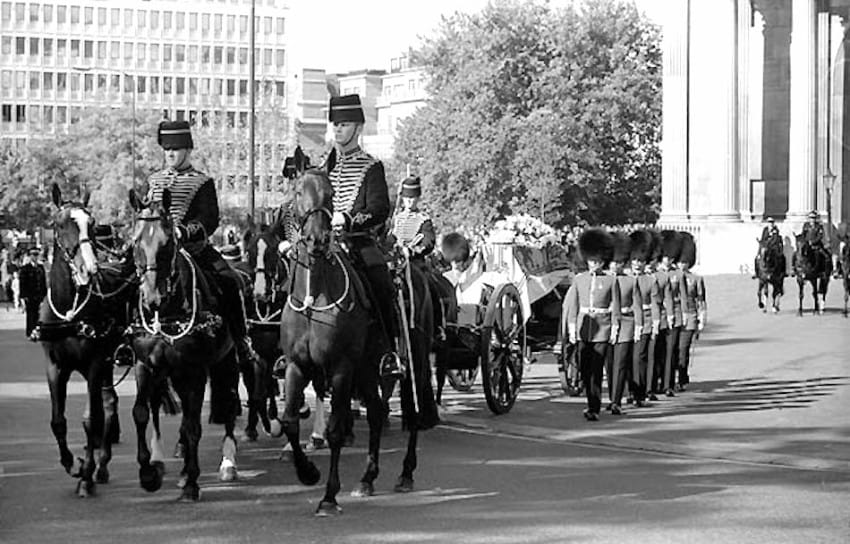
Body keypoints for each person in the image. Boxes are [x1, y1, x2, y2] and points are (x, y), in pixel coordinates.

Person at [143, 120, 259, 369]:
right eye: (167, 150)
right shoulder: (153, 181)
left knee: (229, 280)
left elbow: (209, 219)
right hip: (158, 251)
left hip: (192, 249)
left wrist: (183, 231)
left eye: (175, 149)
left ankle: (241, 341)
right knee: (128, 277)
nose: (170, 154)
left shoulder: (201, 182)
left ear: (188, 150)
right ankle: (125, 337)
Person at [324, 94, 401, 378]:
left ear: (357, 128)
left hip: (358, 242)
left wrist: (349, 219)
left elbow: (379, 209)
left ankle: (388, 351)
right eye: (335, 125)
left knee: (381, 286)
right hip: (325, 243)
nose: (338, 130)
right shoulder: (325, 168)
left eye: (343, 125)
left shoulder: (372, 167)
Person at [563, 228, 621, 422]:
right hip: (583, 328)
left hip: (602, 330)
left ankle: (593, 407)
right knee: (585, 370)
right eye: (591, 261)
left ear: (603, 261)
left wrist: (614, 328)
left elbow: (615, 306)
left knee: (596, 371)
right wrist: (572, 328)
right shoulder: (580, 280)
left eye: (596, 261)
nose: (593, 264)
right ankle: (591, 401)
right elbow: (574, 305)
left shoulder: (611, 281)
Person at [608, 232, 643, 415]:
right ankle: (612, 397)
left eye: (619, 262)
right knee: (610, 365)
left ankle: (616, 400)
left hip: (626, 324)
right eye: (614, 262)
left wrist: (638, 326)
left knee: (621, 364)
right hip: (606, 325)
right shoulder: (604, 280)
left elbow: (636, 304)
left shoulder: (630, 281)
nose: (616, 266)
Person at [630, 230, 660, 408]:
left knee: (639, 358)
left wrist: (655, 323)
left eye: (640, 261)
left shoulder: (650, 280)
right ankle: (631, 389)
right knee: (628, 360)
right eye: (634, 260)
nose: (636, 264)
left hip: (646, 321)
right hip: (628, 322)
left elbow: (655, 303)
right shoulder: (624, 279)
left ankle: (640, 392)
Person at [675, 232, 706, 391]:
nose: (682, 265)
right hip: (675, 316)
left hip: (691, 316)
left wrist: (701, 319)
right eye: (680, 262)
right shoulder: (671, 277)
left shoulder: (696, 279)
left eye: (685, 262)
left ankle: (682, 377)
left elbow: (701, 300)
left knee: (683, 349)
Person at [19, 247, 47, 338]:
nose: (35, 257)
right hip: (30, 296)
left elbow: (43, 282)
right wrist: (23, 296)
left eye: (36, 255)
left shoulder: (41, 267)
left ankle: (38, 331)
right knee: (31, 314)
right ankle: (30, 332)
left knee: (40, 315)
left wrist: (45, 295)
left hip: (39, 295)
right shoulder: (25, 268)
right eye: (33, 255)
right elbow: (22, 283)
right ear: (30, 256)